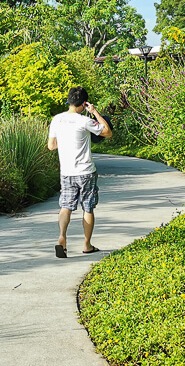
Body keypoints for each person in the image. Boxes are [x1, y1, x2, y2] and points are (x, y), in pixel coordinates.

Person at [47, 86, 112, 259]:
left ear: (68, 101)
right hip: (86, 172)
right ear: (84, 103)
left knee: (65, 207)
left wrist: (66, 140)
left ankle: (62, 237)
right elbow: (107, 132)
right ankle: (86, 245)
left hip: (67, 172)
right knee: (88, 208)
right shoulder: (84, 121)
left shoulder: (56, 120)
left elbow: (51, 146)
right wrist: (95, 112)